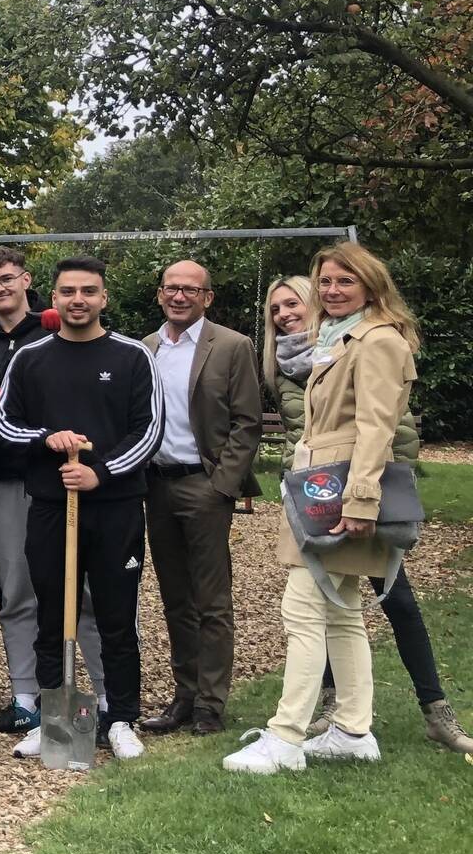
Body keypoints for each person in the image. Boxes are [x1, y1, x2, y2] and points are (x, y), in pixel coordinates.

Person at [227, 247, 422, 772]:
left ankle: (286, 736)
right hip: (322, 484)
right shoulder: (340, 338)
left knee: (303, 610)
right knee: (341, 613)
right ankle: (353, 730)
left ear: (371, 286)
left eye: (345, 281)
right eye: (327, 281)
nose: (333, 290)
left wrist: (361, 500)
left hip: (341, 490)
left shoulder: (376, 341)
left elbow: (376, 427)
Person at [263, 277, 470, 755]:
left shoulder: (355, 343)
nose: (284, 314)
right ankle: (345, 722)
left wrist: (369, 493)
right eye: (275, 309)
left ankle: (433, 710)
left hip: (360, 490)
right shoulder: (290, 360)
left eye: (293, 303)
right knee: (337, 603)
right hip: (316, 488)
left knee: (388, 601)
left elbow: (382, 424)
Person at [0, 257, 161, 765]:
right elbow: (5, 424)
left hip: (115, 508)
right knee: (52, 614)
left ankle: (122, 718)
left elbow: (150, 429)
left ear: (104, 298)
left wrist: (101, 473)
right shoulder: (31, 357)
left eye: (89, 291)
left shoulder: (133, 356)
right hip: (50, 507)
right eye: (68, 291)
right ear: (54, 297)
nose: (78, 300)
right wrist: (47, 438)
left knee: (115, 614)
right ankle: (54, 720)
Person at [0, 246, 102, 736]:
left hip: (64, 479)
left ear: (25, 280)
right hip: (3, 482)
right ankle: (26, 697)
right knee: (17, 591)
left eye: (7, 279)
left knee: (81, 592)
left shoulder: (53, 332)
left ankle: (102, 698)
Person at [136, 261, 262, 738]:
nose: (180, 296)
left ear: (207, 297)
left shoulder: (231, 346)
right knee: (174, 599)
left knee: (212, 601)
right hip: (156, 486)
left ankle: (211, 703)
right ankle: (184, 696)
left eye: (191, 289)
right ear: (160, 294)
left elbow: (247, 422)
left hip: (203, 485)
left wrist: (221, 486)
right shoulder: (145, 349)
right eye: (172, 288)